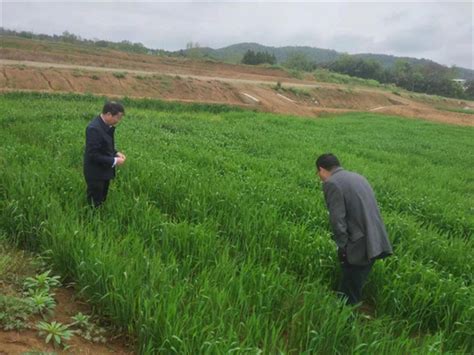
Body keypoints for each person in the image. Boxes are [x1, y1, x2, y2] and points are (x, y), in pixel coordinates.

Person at [315, 153, 392, 305]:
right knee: (355, 285)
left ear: (322, 170)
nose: (319, 177)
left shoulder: (332, 183)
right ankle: (346, 315)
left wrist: (343, 247)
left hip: (358, 245)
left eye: (317, 173)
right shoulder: (358, 177)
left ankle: (344, 323)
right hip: (375, 239)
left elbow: (337, 220)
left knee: (349, 292)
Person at [83, 101, 126, 207]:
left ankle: (98, 218)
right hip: (95, 172)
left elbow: (104, 145)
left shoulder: (106, 125)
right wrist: (114, 161)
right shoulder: (94, 128)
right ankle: (91, 221)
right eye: (117, 117)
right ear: (108, 114)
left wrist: (116, 153)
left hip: (104, 170)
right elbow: (93, 154)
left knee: (102, 198)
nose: (118, 121)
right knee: (94, 202)